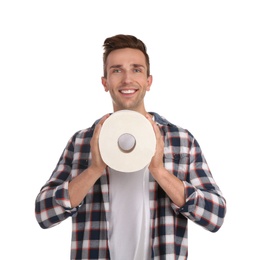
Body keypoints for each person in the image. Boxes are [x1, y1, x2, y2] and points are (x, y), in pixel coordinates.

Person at [35, 34, 226, 260]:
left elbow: (216, 216)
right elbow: (44, 214)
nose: (127, 79)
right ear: (105, 82)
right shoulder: (82, 142)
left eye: (136, 69)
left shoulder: (180, 140)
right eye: (117, 70)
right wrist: (93, 170)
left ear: (148, 81)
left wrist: (160, 172)